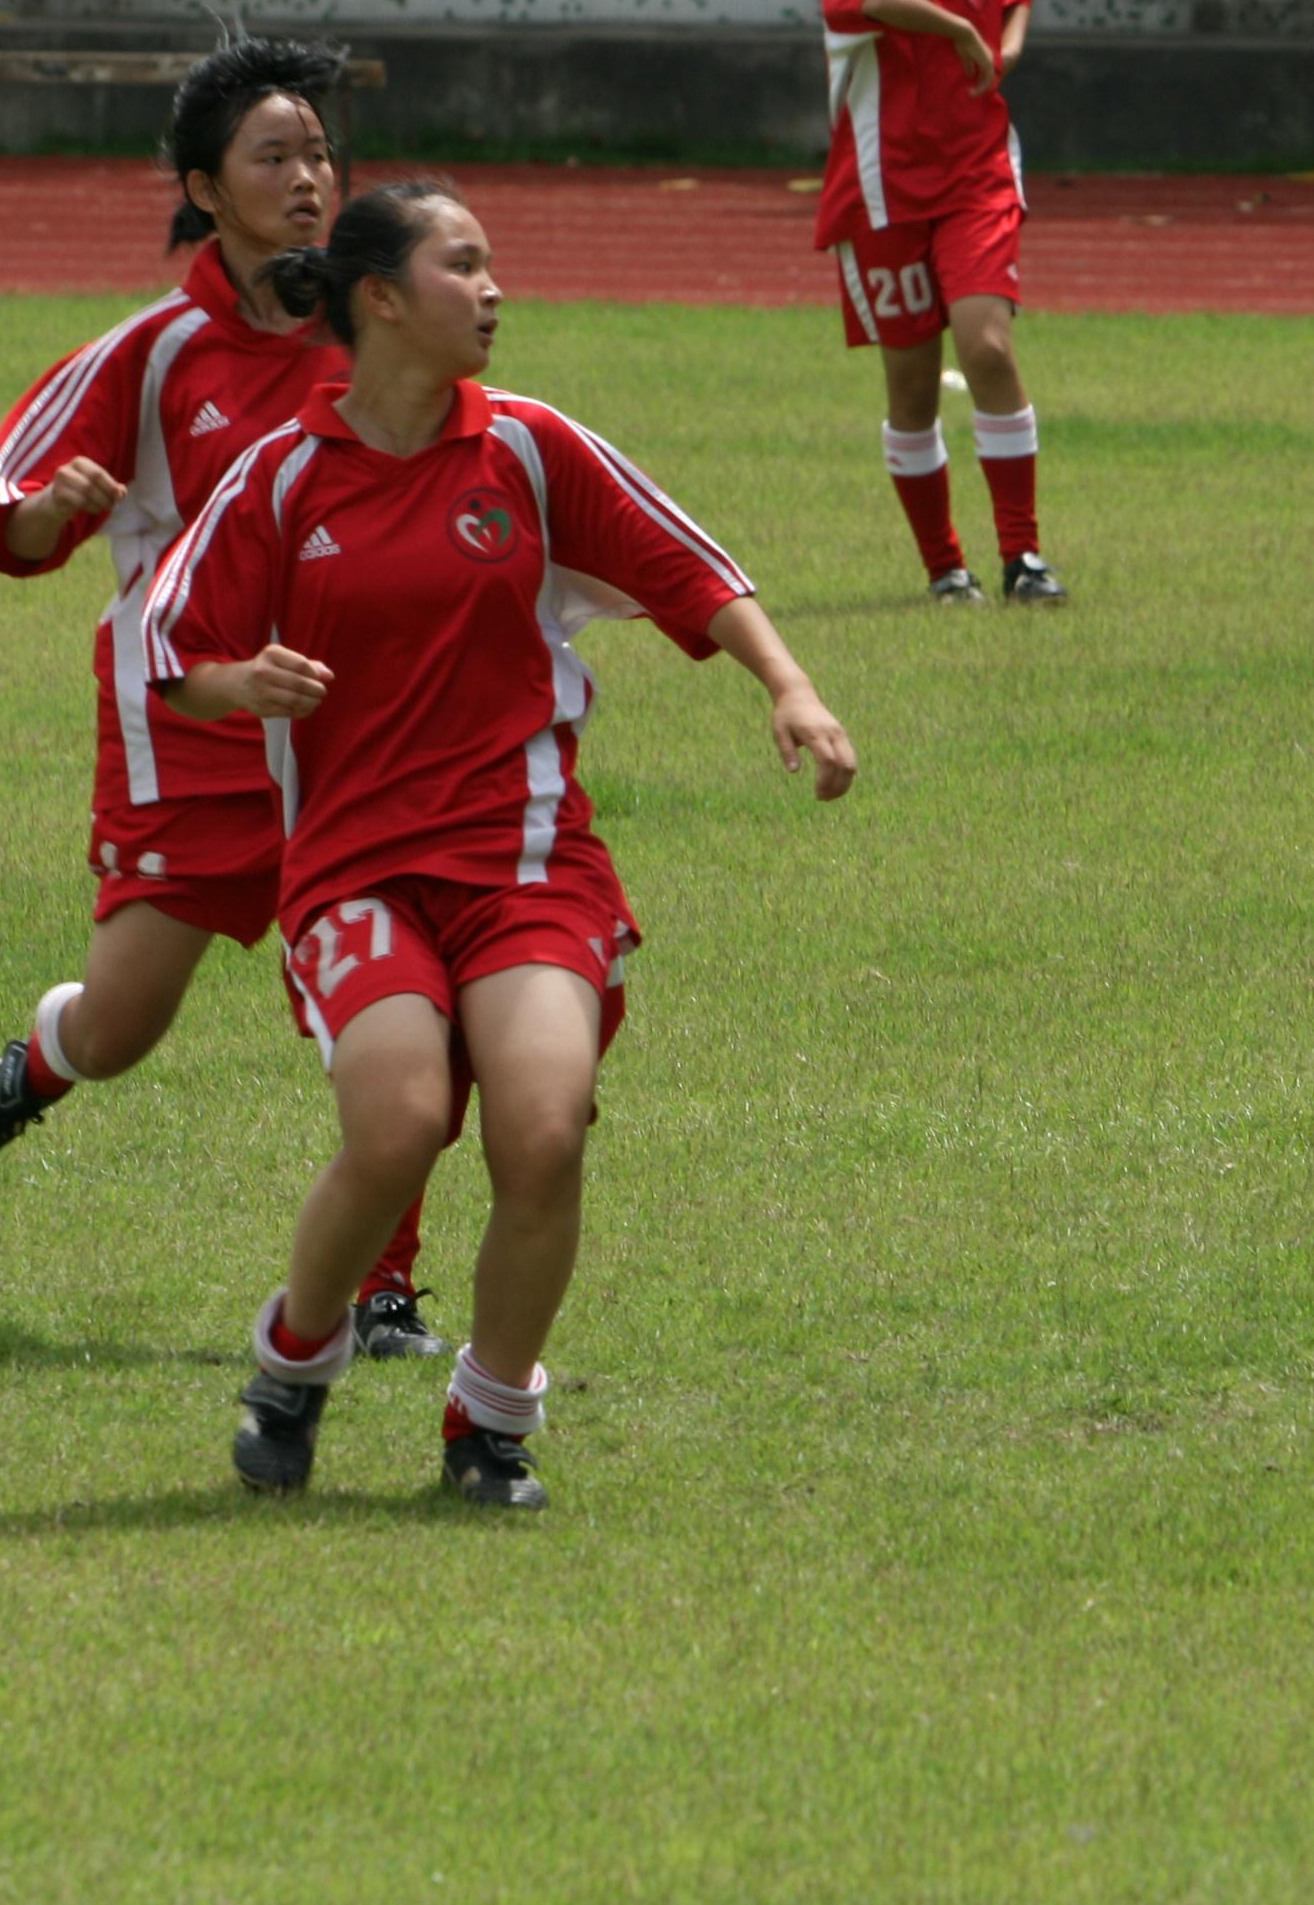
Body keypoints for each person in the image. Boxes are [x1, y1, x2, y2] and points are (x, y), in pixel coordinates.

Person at [146, 178, 860, 1508]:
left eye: (491, 267)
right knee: (401, 1123)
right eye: (462, 265)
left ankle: (489, 1421)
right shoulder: (283, 474)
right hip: (356, 871)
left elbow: (689, 570)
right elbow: (172, 651)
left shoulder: (529, 448)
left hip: (526, 865)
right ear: (380, 298)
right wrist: (243, 685)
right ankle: (294, 1362)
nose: (492, 290)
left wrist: (791, 686)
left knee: (545, 1132)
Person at [0, 38, 453, 1357]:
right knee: (125, 1024)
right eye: (273, 158)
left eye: (320, 154)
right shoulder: (154, 355)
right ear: (203, 189)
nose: (308, 179)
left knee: (399, 1007)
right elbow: (1, 513)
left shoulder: (376, 327)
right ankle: (45, 1059)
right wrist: (52, 511)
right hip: (192, 728)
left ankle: (383, 1288)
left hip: (349, 732)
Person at [817, 0, 1065, 605]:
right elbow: (871, 1)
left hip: (976, 175)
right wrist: (961, 32)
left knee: (987, 348)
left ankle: (1024, 559)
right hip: (883, 193)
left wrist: (1010, 43)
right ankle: (943, 568)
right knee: (914, 388)